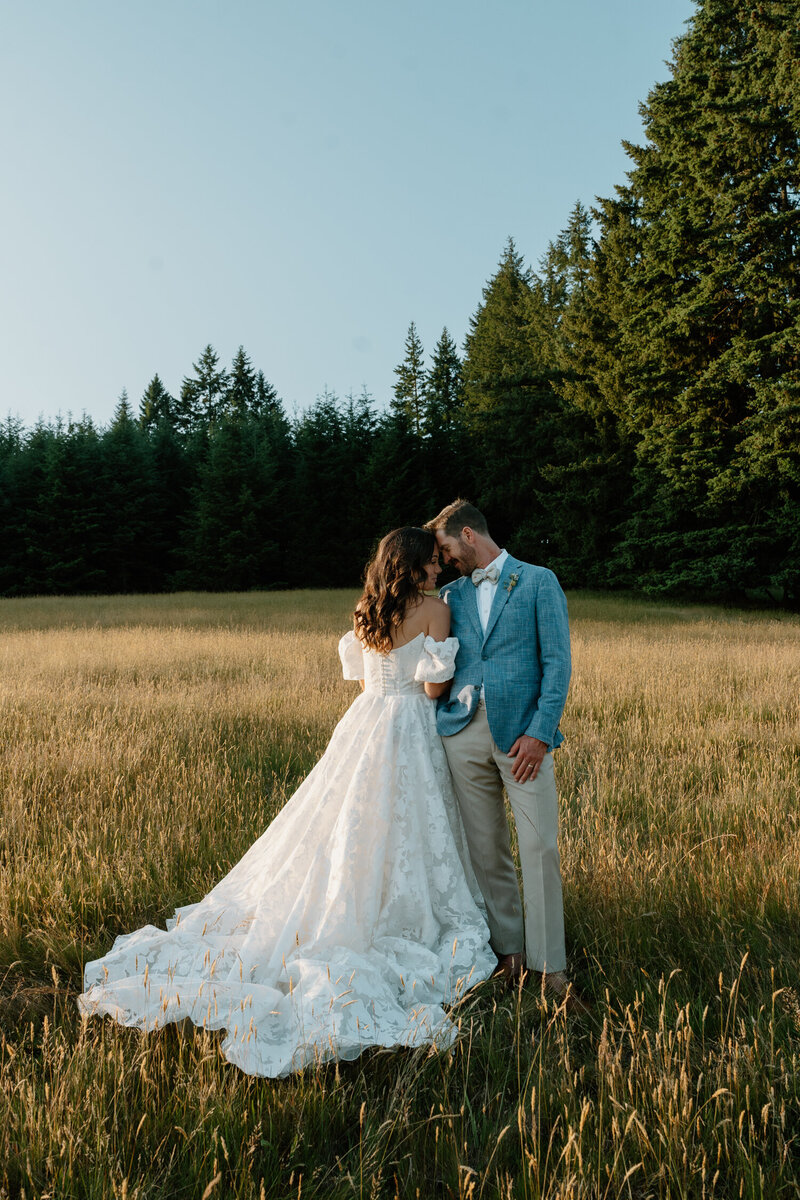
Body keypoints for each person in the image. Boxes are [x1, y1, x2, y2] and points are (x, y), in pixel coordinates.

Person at [79, 527, 496, 1077]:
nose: (440, 569)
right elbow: (433, 689)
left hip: (365, 723)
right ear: (414, 564)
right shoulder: (437, 611)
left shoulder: (365, 610)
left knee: (350, 820)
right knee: (413, 823)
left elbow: (366, 679)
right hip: (410, 725)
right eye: (433, 562)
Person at [426, 499, 582, 1008]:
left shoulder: (539, 581)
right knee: (485, 850)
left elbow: (557, 663)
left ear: (469, 534)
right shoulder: (449, 595)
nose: (446, 561)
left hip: (523, 741)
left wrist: (540, 733)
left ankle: (550, 969)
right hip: (461, 734)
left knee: (540, 849)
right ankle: (508, 955)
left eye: (447, 549)